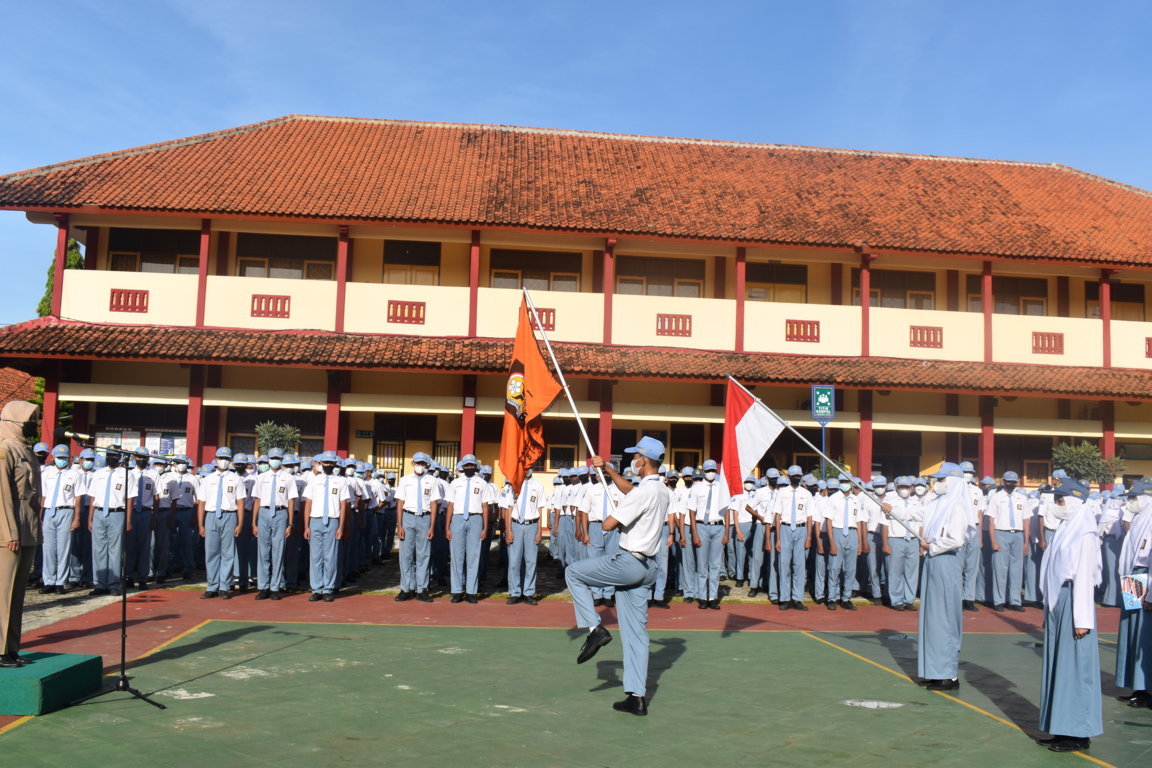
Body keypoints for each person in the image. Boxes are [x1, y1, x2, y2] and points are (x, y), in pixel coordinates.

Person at [567, 436, 670, 716]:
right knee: (636, 634)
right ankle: (636, 697)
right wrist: (608, 470)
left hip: (629, 562)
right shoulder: (660, 489)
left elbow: (609, 525)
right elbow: (631, 490)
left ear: (643, 460)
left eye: (635, 457)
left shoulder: (642, 493)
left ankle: (594, 629)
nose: (632, 461)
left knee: (573, 572)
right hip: (647, 568)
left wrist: (616, 510)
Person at [1036, 478, 1103, 752]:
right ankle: (1061, 727)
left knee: (1076, 668)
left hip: (1075, 602)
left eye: (1060, 500)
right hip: (1060, 601)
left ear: (1074, 501)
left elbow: (1085, 578)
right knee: (1060, 666)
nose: (1056, 504)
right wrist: (1049, 607)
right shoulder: (1067, 527)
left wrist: (1082, 620)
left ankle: (1078, 733)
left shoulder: (1084, 533)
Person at [916, 462, 970, 691]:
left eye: (941, 479)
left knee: (945, 616)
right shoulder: (937, 503)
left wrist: (932, 546)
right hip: (932, 559)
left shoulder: (957, 507)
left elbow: (956, 539)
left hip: (945, 560)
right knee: (932, 617)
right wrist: (890, 509)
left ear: (953, 481)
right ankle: (935, 671)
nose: (937, 483)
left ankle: (948, 674)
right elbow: (915, 513)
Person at [0, 401, 42, 668]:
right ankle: (0, 650)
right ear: (15, 421)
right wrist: (10, 533)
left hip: (27, 530)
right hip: (9, 534)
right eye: (29, 420)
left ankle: (12, 647)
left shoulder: (25, 450)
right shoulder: (4, 449)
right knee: (2, 594)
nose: (33, 424)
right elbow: (2, 496)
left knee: (17, 595)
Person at [1114, 478, 1152, 709]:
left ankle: (1146, 688)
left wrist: (1151, 595)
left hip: (1145, 576)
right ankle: (1137, 686)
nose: (1130, 501)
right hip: (1133, 576)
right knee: (1132, 631)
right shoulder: (1140, 517)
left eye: (1134, 497)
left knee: (1144, 635)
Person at [85, 444, 137, 595]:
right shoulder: (98, 473)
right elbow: (93, 497)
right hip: (99, 513)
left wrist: (128, 521)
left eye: (114, 455)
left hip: (117, 513)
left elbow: (130, 499)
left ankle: (114, 583)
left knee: (115, 550)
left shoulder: (126, 474)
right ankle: (99, 584)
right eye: (109, 455)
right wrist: (90, 519)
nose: (111, 458)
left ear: (119, 457)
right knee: (98, 550)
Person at [196, 447, 247, 599]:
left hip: (229, 516)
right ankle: (212, 586)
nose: (223, 461)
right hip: (211, 516)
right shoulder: (208, 479)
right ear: (216, 459)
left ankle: (224, 586)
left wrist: (240, 523)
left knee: (227, 553)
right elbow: (201, 503)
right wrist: (200, 524)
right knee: (211, 552)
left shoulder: (236, 479)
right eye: (221, 458)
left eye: (226, 458)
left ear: (230, 460)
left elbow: (240, 502)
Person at [302, 451, 349, 602]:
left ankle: (328, 588)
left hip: (333, 521)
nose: (328, 465)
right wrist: (306, 526)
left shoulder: (341, 481)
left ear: (335, 464)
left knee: (331, 557)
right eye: (325, 462)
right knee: (315, 557)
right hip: (315, 520)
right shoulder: (313, 480)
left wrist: (341, 527)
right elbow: (308, 504)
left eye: (331, 463)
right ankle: (316, 588)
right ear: (320, 464)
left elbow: (343, 505)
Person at [445, 454, 493, 603]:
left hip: (475, 519)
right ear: (463, 467)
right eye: (467, 465)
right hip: (458, 518)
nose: (469, 467)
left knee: (473, 556)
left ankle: (471, 591)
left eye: (472, 465)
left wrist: (485, 527)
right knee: (457, 556)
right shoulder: (455, 483)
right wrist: (447, 527)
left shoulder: (482, 483)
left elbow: (485, 506)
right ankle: (457, 591)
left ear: (475, 466)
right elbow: (450, 505)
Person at [252, 447, 298, 600]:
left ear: (282, 460)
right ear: (268, 459)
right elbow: (257, 500)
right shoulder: (261, 477)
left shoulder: (288, 477)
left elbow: (291, 501)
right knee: (263, 552)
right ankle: (263, 587)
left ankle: (275, 587)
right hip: (264, 513)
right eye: (273, 458)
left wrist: (290, 523)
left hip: (280, 513)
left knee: (278, 552)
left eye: (278, 458)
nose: (275, 461)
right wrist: (254, 522)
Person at [393, 452, 437, 603]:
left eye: (423, 463)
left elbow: (434, 504)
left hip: (425, 518)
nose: (420, 466)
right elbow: (400, 503)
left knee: (423, 555)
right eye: (418, 463)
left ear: (427, 465)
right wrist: (399, 525)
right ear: (412, 463)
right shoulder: (405, 480)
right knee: (406, 555)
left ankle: (422, 589)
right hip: (408, 517)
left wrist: (432, 526)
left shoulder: (432, 481)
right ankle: (406, 588)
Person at [39, 444, 82, 594]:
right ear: (53, 457)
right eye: (59, 457)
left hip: (66, 511)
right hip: (49, 511)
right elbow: (43, 496)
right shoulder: (47, 473)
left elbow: (78, 498)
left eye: (64, 457)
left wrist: (76, 518)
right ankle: (48, 581)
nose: (61, 460)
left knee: (64, 549)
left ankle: (60, 582)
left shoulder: (74, 474)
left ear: (69, 459)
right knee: (48, 548)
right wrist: (40, 516)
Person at [688, 459, 729, 609]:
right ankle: (702, 597)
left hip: (718, 526)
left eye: (713, 470)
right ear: (704, 471)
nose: (711, 473)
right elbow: (692, 512)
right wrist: (694, 533)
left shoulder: (722, 488)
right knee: (702, 565)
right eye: (708, 470)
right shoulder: (696, 488)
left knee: (716, 564)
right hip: (702, 526)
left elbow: (727, 510)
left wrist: (727, 532)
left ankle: (712, 597)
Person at [986, 470, 1029, 612]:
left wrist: (1026, 542)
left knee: (1017, 569)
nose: (1011, 484)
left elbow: (1026, 521)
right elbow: (990, 521)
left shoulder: (1022, 498)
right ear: (1003, 482)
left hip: (1018, 535)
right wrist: (993, 541)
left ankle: (1015, 601)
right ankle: (999, 600)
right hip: (1001, 533)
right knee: (1000, 569)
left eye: (1014, 482)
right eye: (1009, 481)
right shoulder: (996, 497)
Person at [773, 465, 813, 610]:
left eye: (798, 475)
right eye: (794, 475)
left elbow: (809, 517)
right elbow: (777, 515)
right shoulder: (782, 493)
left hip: (801, 529)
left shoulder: (806, 494)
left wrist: (809, 537)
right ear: (789, 477)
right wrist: (778, 538)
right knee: (784, 565)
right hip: (785, 528)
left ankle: (797, 598)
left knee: (799, 566)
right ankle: (784, 598)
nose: (796, 478)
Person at [503, 469, 543, 605]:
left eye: (529, 467)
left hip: (532, 525)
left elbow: (539, 509)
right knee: (514, 561)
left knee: (531, 561)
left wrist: (539, 531)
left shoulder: (538, 486)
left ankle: (529, 592)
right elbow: (509, 508)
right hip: (516, 525)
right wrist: (508, 530)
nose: (527, 470)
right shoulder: (513, 485)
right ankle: (515, 592)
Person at [883, 476, 922, 611]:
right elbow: (884, 524)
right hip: (896, 539)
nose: (904, 489)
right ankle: (896, 600)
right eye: (901, 487)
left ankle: (909, 600)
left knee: (912, 571)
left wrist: (921, 542)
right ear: (896, 487)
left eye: (907, 487)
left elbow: (921, 523)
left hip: (913, 539)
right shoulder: (889, 502)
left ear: (911, 488)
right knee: (895, 571)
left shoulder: (917, 502)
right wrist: (885, 543)